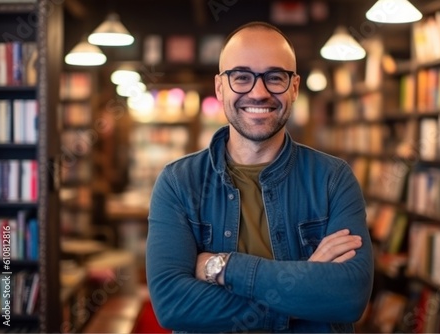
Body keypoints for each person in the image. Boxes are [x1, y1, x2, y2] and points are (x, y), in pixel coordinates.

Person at [146, 21, 374, 333]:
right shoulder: (178, 183)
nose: (259, 92)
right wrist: (304, 290)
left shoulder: (333, 179)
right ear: (220, 87)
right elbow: (173, 305)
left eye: (275, 78)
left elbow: (349, 298)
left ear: (294, 87)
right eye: (241, 77)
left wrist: (224, 267)